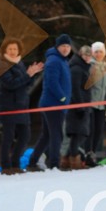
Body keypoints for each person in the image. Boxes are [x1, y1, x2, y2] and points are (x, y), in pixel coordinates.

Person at [0, 38, 43, 174]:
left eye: (15, 49)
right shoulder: (2, 65)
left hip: (22, 105)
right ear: (5, 50)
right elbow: (10, 84)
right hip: (8, 106)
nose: (12, 51)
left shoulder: (20, 64)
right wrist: (27, 75)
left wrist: (31, 75)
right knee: (8, 137)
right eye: (10, 49)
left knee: (25, 136)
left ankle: (15, 163)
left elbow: (26, 84)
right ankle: (6, 165)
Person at [27, 34, 72, 171]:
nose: (65, 49)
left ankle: (32, 161)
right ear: (57, 47)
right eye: (63, 46)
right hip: (53, 104)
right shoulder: (54, 61)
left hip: (56, 104)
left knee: (47, 135)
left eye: (67, 46)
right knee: (56, 135)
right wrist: (62, 98)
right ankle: (54, 165)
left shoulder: (62, 61)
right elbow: (52, 83)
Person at [63, 45, 93, 170]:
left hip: (83, 105)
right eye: (85, 55)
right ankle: (73, 161)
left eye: (89, 55)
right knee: (78, 134)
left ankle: (66, 159)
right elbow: (75, 89)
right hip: (77, 106)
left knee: (81, 133)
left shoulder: (84, 68)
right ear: (81, 55)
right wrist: (80, 106)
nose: (87, 57)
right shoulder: (76, 69)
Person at [86, 42, 106, 166]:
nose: (98, 54)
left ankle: (93, 154)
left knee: (98, 130)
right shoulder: (89, 66)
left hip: (101, 106)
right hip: (91, 104)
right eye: (96, 52)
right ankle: (87, 154)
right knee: (90, 131)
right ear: (92, 53)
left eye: (100, 52)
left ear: (104, 53)